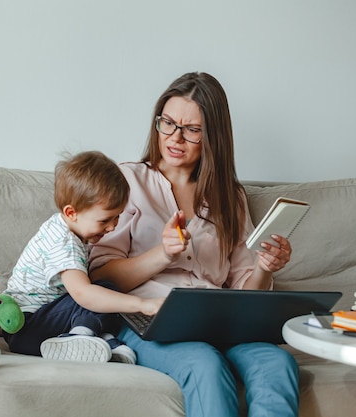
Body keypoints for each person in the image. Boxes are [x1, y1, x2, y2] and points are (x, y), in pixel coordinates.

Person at [89, 72, 299, 416]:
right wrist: (163, 254)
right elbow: (101, 276)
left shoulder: (230, 197)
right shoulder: (126, 181)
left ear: (213, 136)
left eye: (191, 130)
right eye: (167, 123)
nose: (175, 138)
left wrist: (263, 267)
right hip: (150, 322)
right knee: (204, 364)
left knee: (277, 364)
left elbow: (246, 289)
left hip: (222, 320)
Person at [3, 150, 164, 364]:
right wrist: (142, 304)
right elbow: (82, 294)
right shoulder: (64, 242)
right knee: (100, 290)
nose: (113, 226)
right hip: (26, 328)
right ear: (72, 213)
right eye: (105, 219)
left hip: (36, 323)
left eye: (117, 217)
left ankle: (98, 338)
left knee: (105, 288)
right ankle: (80, 337)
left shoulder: (65, 227)